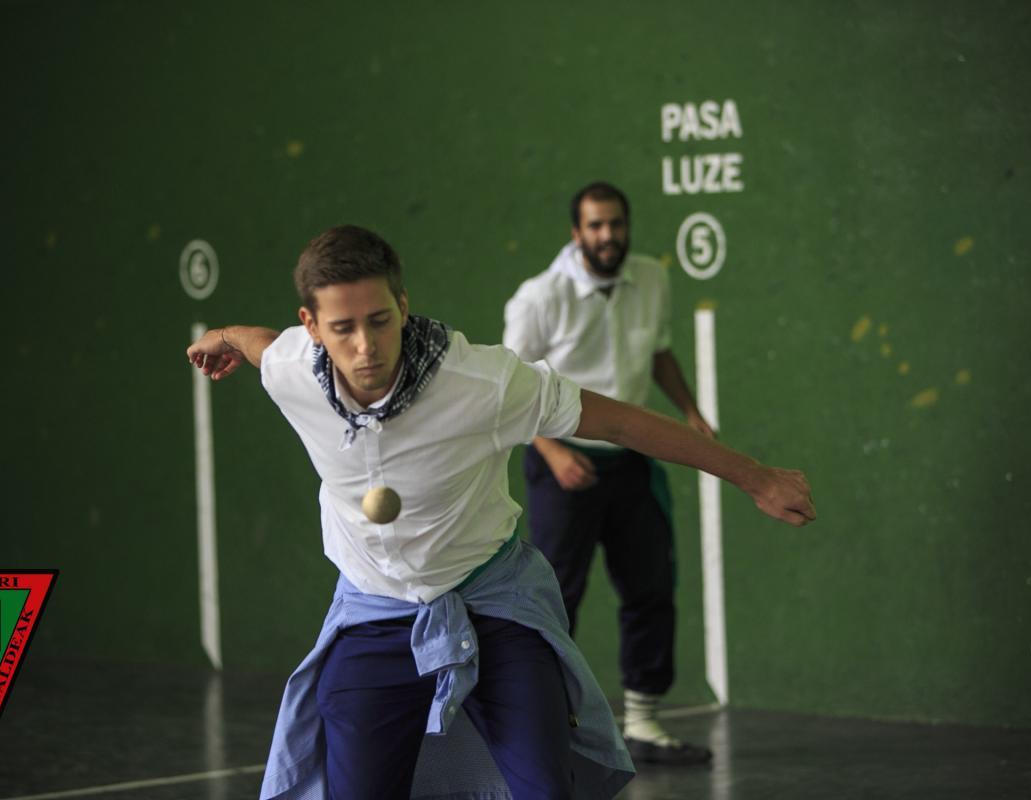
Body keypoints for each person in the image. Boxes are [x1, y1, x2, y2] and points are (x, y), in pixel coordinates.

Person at [186, 224, 815, 800]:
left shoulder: (482, 382)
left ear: (403, 305)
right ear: (313, 326)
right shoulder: (294, 368)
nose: (366, 346)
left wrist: (755, 476)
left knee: (545, 789)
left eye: (380, 320)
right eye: (343, 328)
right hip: (373, 617)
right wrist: (225, 337)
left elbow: (620, 422)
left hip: (493, 610)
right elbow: (261, 343)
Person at [503, 181, 720, 765]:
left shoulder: (651, 278)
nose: (608, 235)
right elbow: (509, 391)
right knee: (556, 597)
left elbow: (659, 351)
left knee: (652, 586)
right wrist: (554, 453)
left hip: (631, 461)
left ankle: (644, 722)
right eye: (595, 226)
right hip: (563, 462)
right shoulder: (538, 297)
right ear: (576, 233)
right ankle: (548, 728)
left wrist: (689, 411)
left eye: (616, 224)